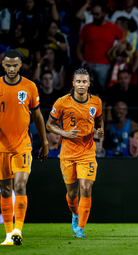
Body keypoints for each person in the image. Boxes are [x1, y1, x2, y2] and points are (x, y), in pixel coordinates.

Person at [46, 68, 104, 238]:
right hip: (68, 153)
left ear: (89, 84)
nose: (81, 85)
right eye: (78, 81)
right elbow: (49, 124)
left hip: (87, 151)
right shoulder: (62, 102)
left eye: (84, 82)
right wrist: (65, 133)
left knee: (86, 188)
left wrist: (99, 131)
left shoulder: (96, 102)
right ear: (73, 83)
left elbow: (99, 122)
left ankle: (80, 228)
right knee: (72, 193)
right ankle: (74, 213)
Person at [0, 50, 49, 245]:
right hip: (1, 147)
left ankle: (18, 230)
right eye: (8, 65)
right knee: (5, 189)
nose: (11, 69)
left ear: (21, 65)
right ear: (3, 65)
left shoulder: (29, 86)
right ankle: (9, 235)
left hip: (23, 145)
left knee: (20, 185)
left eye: (15, 65)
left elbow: (37, 116)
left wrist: (44, 142)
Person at [77, 3, 123, 91]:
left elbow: (122, 41)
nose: (95, 16)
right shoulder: (86, 28)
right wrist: (83, 62)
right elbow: (79, 48)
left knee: (102, 90)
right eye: (93, 14)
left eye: (97, 14)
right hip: (88, 64)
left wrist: (116, 53)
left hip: (105, 65)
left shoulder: (113, 28)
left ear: (104, 13)